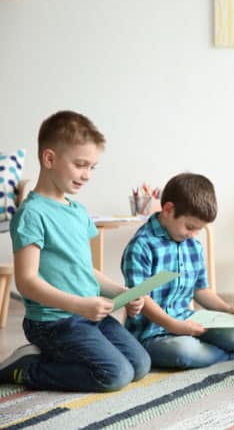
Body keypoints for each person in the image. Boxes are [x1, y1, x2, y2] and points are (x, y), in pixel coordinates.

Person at [0, 111, 150, 391]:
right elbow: (27, 283)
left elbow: (86, 272)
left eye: (93, 167)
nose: (87, 175)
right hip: (53, 322)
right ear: (49, 159)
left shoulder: (79, 212)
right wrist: (79, 305)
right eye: (81, 165)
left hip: (89, 316)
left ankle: (62, 356)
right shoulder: (31, 214)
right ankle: (28, 368)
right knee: (114, 375)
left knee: (140, 365)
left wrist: (122, 294)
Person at [121, 173, 234, 369]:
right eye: (190, 227)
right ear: (168, 210)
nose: (194, 235)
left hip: (188, 320)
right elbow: (142, 300)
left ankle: (230, 349)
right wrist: (174, 326)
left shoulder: (192, 245)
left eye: (199, 229)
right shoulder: (141, 246)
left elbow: (201, 290)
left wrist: (227, 309)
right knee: (184, 351)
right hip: (152, 332)